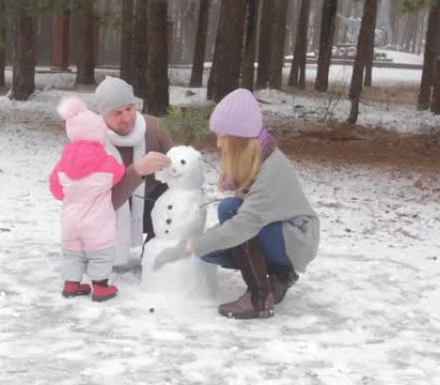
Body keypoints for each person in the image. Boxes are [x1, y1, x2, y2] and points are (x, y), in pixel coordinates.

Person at [154, 88, 320, 319]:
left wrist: (193, 245)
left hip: (296, 238)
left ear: (241, 139)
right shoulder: (258, 156)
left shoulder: (272, 170)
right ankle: (277, 276)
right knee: (218, 234)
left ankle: (260, 297)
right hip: (278, 230)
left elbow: (245, 224)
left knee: (230, 221)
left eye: (224, 137)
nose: (220, 144)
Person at [49, 97, 125, 302]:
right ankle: (100, 287)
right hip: (97, 218)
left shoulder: (63, 160)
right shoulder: (105, 158)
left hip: (70, 218)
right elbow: (118, 174)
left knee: (73, 252)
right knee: (100, 251)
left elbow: (56, 190)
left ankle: (71, 284)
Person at [94, 76, 173, 265]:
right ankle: (100, 252)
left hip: (148, 204)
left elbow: (180, 173)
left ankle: (154, 252)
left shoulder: (154, 128)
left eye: (129, 108)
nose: (127, 118)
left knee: (176, 197)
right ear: (103, 116)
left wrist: (171, 166)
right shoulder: (94, 141)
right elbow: (100, 202)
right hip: (109, 211)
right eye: (117, 113)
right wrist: (136, 171)